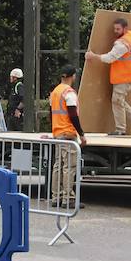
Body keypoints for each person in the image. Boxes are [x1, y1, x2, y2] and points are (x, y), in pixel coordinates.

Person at [85, 17, 131, 135]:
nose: (115, 31)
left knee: (117, 100)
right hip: (130, 74)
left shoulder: (121, 44)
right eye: (114, 29)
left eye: (118, 29)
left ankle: (121, 130)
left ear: (125, 28)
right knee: (118, 100)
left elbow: (109, 58)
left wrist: (93, 56)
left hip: (123, 77)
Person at [47, 65, 85, 208]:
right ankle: (68, 198)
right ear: (72, 76)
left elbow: (51, 114)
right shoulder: (69, 93)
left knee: (58, 165)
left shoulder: (55, 92)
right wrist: (81, 134)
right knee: (69, 166)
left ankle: (55, 197)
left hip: (57, 133)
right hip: (68, 134)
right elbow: (73, 115)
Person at [6, 67, 26, 131]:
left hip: (16, 116)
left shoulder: (19, 86)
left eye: (11, 77)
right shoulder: (15, 86)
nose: (10, 78)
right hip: (12, 115)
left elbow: (23, 99)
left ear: (15, 78)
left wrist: (18, 109)